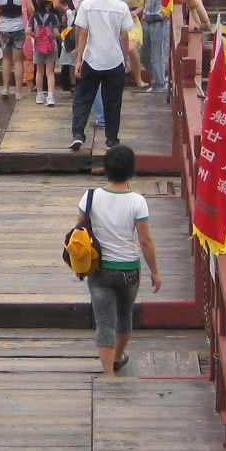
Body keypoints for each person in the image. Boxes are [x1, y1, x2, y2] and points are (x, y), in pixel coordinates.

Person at [78, 142, 161, 374]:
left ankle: (108, 373)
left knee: (104, 321)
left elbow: (78, 232)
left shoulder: (91, 197)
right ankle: (117, 356)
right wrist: (154, 271)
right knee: (124, 316)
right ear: (131, 170)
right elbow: (145, 241)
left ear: (106, 168)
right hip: (129, 269)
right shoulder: (137, 201)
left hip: (99, 269)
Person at [69, 0, 145, 150]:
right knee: (113, 100)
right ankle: (111, 138)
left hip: (92, 57)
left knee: (83, 97)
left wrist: (79, 59)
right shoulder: (121, 6)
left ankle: (78, 133)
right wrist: (126, 58)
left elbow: (83, 33)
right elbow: (124, 35)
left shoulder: (87, 4)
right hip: (114, 59)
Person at [139, 0, 172, 92]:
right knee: (144, 54)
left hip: (160, 21)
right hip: (146, 19)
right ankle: (159, 79)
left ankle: (158, 84)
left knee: (157, 54)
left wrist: (169, 10)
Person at [27, 0, 65, 106]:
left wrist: (35, 36)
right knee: (50, 72)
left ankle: (39, 95)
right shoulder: (52, 16)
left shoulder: (34, 16)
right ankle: (50, 96)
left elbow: (27, 30)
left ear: (37, 1)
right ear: (50, 3)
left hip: (38, 47)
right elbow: (56, 33)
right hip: (51, 46)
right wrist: (62, 38)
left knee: (39, 71)